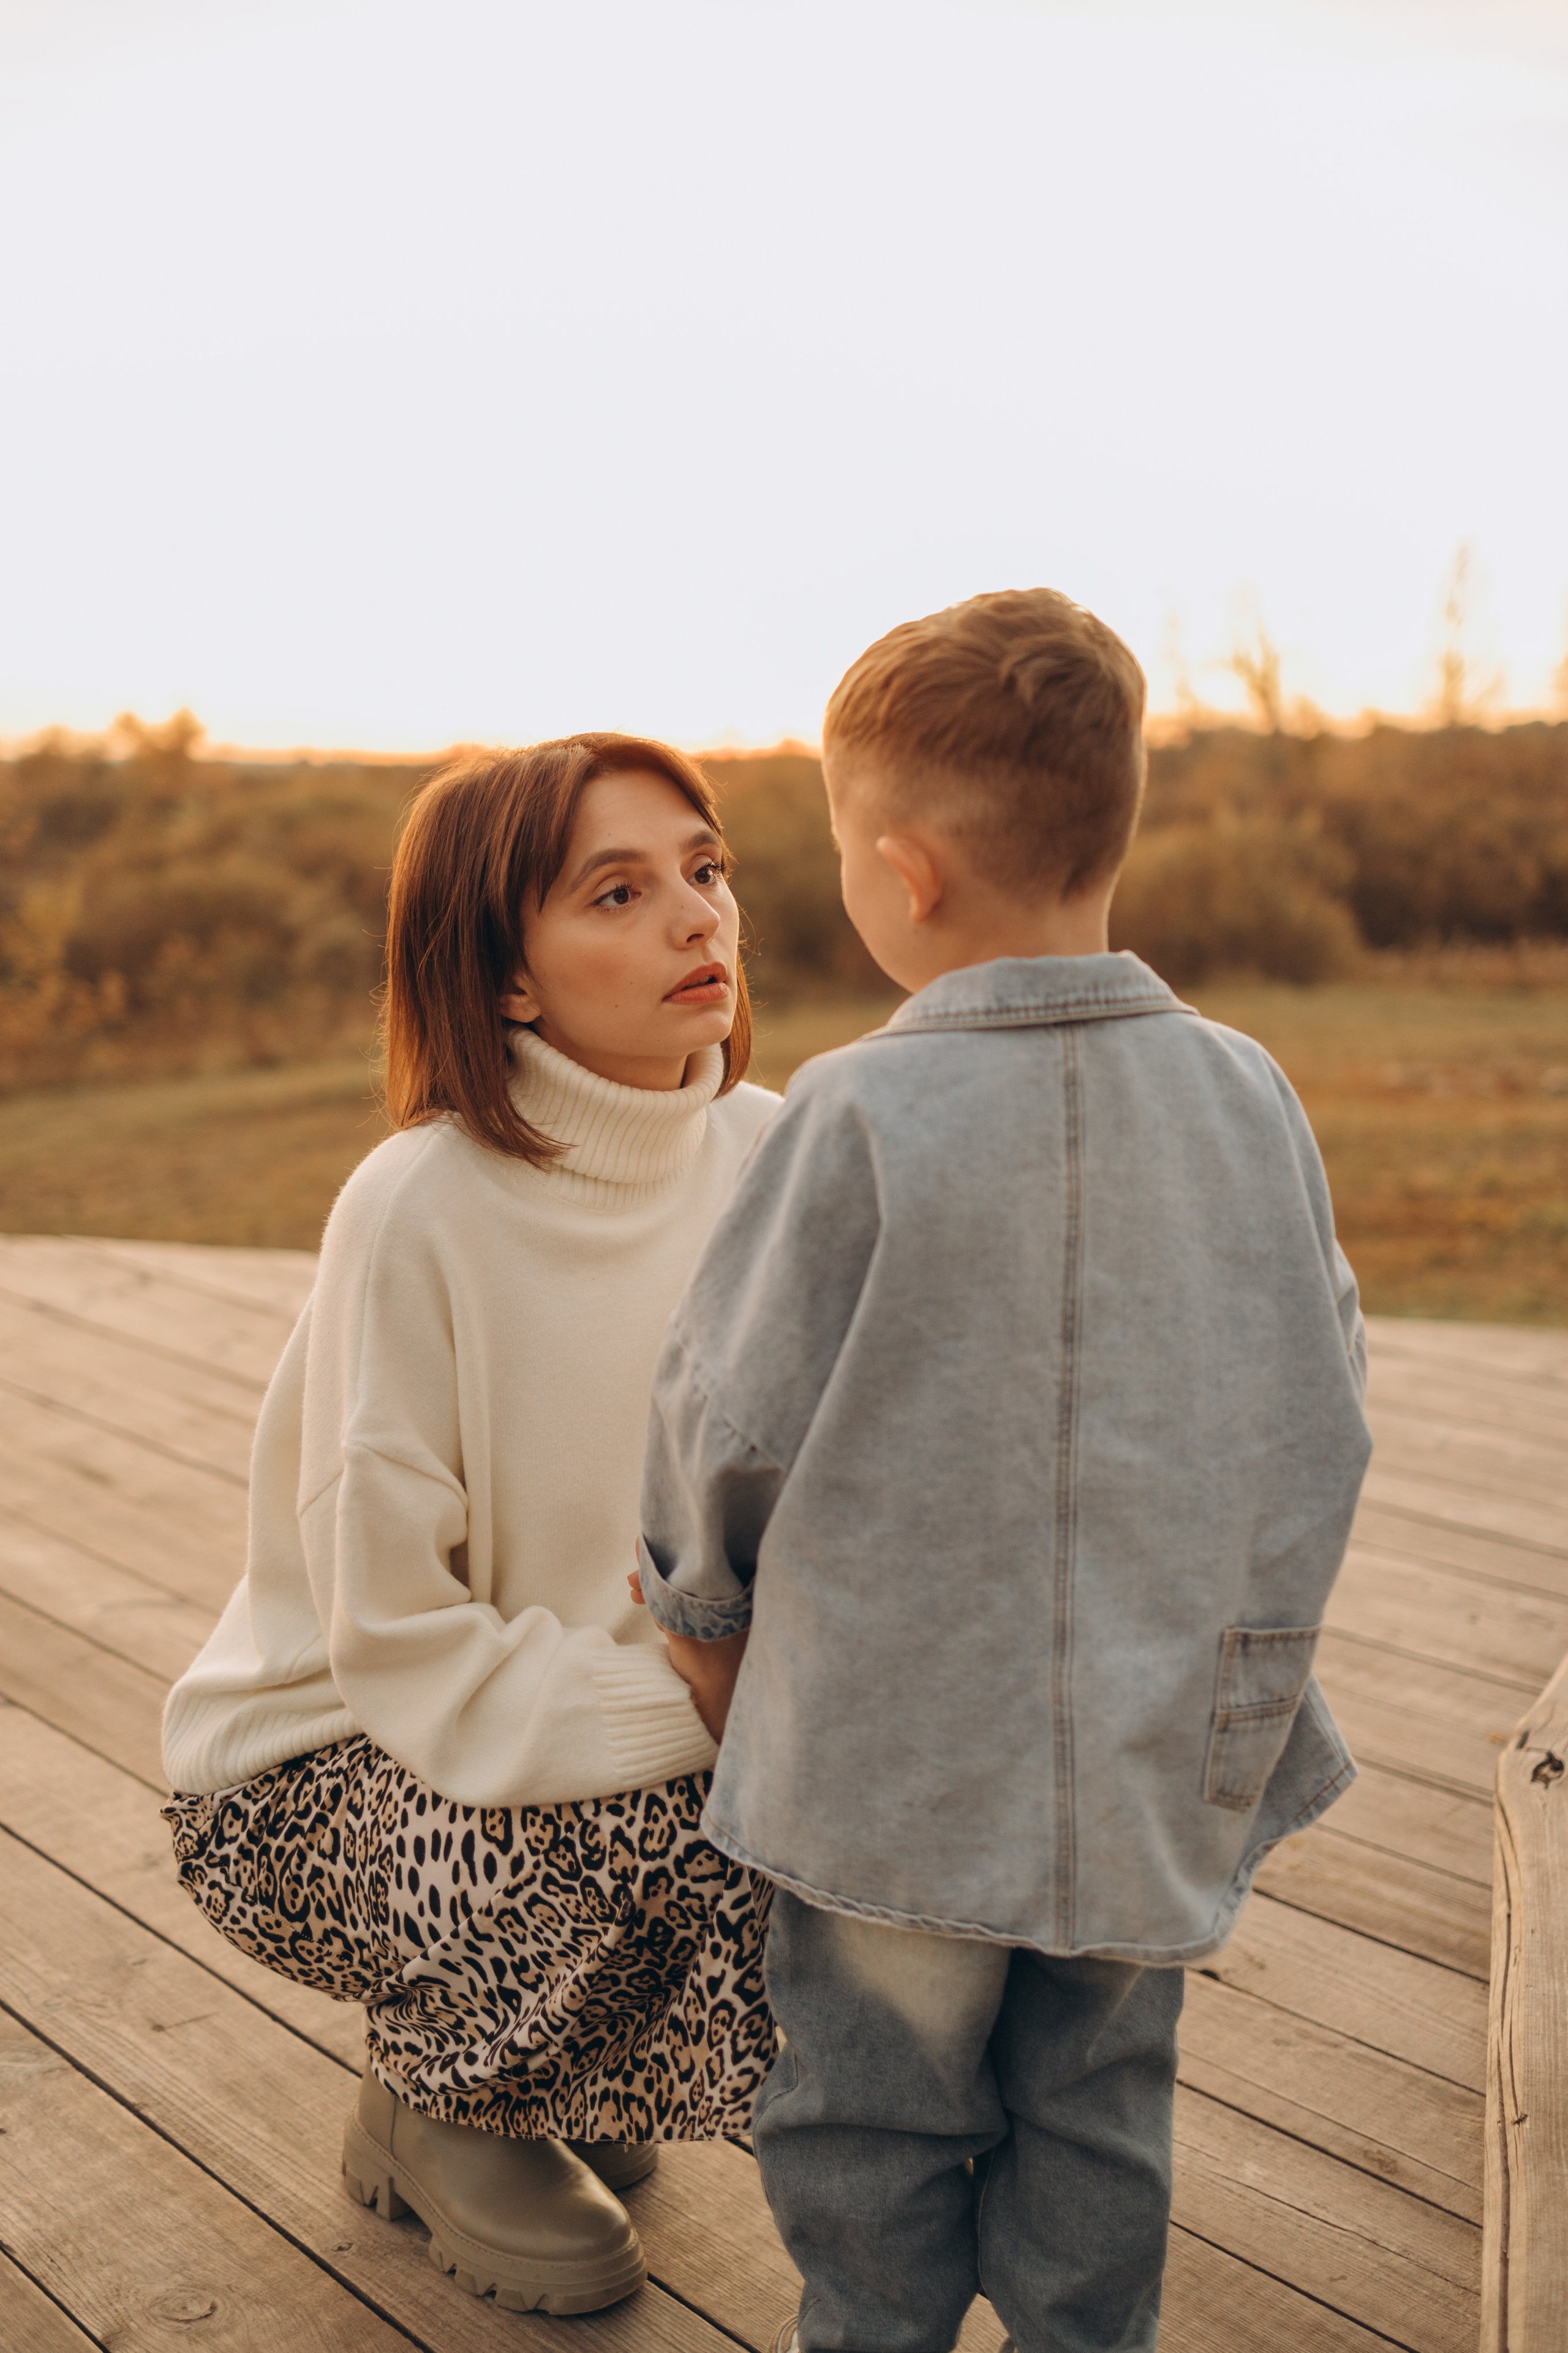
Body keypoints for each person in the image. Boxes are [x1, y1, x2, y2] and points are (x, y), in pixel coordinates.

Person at [633, 591, 1373, 2353]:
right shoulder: (1245, 1093)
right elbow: (1320, 1408)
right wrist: (1249, 1670)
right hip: (1142, 1763)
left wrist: (703, 1611)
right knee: (1102, 2103)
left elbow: (725, 1415)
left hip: (883, 1773)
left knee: (868, 2109)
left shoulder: (856, 1116)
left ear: (904, 872)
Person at [160, 735, 780, 2317]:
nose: (696, 920)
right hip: (324, 1772)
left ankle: (553, 2058)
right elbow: (402, 1651)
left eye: (705, 870)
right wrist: (712, 1698)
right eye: (621, 892)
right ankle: (446, 2104)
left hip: (654, 1702)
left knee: (816, 1801)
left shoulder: (776, 1159)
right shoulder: (417, 1205)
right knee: (688, 1798)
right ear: (506, 977)